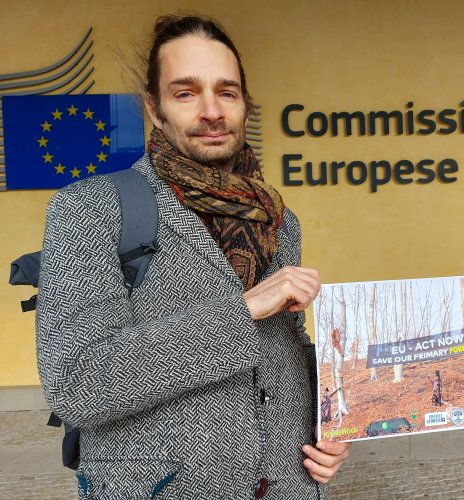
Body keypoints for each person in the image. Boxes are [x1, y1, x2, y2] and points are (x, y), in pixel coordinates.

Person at [36, 15, 349, 499]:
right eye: (185, 93)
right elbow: (77, 384)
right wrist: (242, 311)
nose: (211, 111)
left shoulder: (278, 221)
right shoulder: (92, 207)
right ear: (155, 109)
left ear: (244, 104)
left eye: (227, 92)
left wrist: (330, 423)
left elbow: (282, 349)